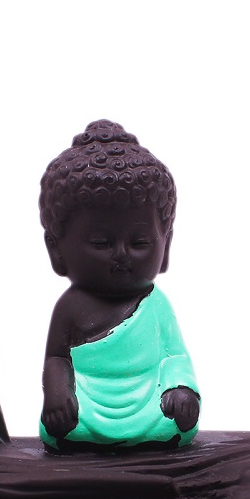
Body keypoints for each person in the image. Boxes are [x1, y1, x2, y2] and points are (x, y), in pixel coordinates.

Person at [39, 120, 200, 450]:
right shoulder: (70, 307)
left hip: (149, 402)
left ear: (166, 245)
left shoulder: (156, 304)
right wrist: (59, 395)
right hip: (89, 403)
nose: (122, 254)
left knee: (176, 422)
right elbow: (57, 359)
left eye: (139, 242)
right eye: (101, 242)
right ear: (57, 250)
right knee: (63, 427)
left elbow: (174, 356)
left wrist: (179, 390)